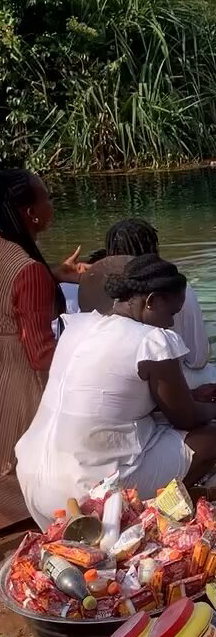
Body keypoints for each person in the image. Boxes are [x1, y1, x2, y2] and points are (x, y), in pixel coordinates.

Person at [16, 254, 216, 531]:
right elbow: (186, 419)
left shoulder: (79, 327)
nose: (169, 323)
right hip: (86, 494)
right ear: (151, 301)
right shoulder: (153, 341)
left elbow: (113, 397)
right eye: (171, 314)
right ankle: (146, 519)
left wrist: (193, 395)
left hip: (35, 482)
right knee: (211, 439)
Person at [0, 169, 84, 475]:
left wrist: (51, 276)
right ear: (31, 213)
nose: (52, 203)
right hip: (17, 382)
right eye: (47, 197)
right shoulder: (29, 269)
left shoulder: (25, 266)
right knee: (22, 468)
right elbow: (41, 354)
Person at [86, 218, 216, 388]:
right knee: (207, 373)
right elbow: (198, 359)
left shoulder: (92, 289)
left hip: (104, 379)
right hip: (151, 380)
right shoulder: (176, 289)